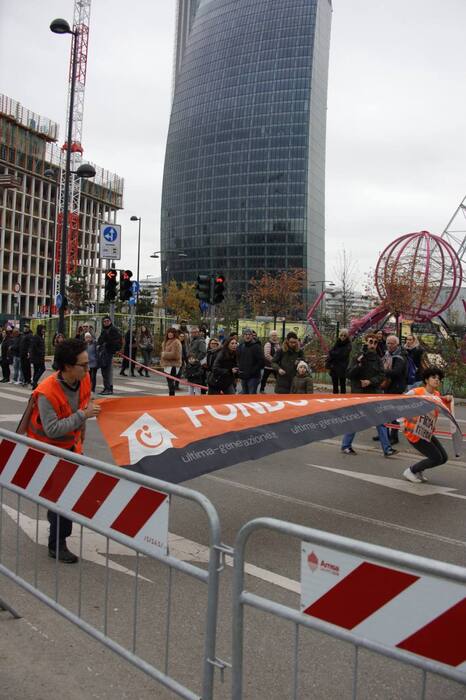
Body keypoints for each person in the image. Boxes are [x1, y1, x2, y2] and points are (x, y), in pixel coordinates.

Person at [26, 338, 101, 562]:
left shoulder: (84, 379)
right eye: (84, 364)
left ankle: (59, 535)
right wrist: (83, 416)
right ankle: (57, 544)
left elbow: (83, 404)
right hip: (48, 451)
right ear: (68, 366)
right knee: (61, 498)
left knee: (69, 495)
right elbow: (52, 429)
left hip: (72, 448)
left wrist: (83, 431)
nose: (89, 368)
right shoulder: (47, 392)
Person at [341, 333, 396, 457]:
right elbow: (349, 374)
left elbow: (382, 375)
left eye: (375, 343)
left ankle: (387, 449)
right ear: (366, 342)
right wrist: (359, 365)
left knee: (380, 421)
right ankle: (346, 445)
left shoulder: (378, 358)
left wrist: (370, 381)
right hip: (359, 393)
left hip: (374, 393)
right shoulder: (357, 356)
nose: (373, 345)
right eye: (371, 341)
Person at [402, 368, 452, 483]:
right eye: (434, 377)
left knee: (444, 458)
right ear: (426, 379)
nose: (437, 380)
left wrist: (447, 399)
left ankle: (418, 470)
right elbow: (401, 403)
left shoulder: (437, 394)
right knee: (436, 458)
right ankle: (411, 470)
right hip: (414, 432)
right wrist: (401, 422)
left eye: (438, 378)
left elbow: (444, 407)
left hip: (426, 431)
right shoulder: (417, 392)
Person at [380, 335, 408, 445]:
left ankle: (394, 437)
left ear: (397, 344)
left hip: (396, 387)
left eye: (392, 343)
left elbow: (396, 372)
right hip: (388, 386)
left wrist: (382, 372)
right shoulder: (388, 354)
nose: (389, 345)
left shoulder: (400, 356)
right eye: (388, 343)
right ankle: (384, 434)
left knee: (393, 413)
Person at [97, 316, 122, 395]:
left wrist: (113, 348)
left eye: (108, 321)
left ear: (110, 321)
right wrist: (99, 345)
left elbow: (117, 341)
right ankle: (106, 388)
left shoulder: (113, 330)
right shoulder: (104, 330)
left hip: (109, 352)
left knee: (107, 371)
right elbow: (100, 340)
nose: (106, 322)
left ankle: (109, 388)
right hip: (103, 353)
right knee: (104, 371)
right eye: (105, 321)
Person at [237, 328, 264, 394]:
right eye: (246, 334)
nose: (247, 336)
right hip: (243, 376)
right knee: (245, 395)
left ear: (252, 336)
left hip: (253, 377)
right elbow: (238, 359)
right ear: (243, 336)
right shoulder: (241, 346)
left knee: (251, 396)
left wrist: (252, 371)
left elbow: (261, 362)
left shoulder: (256, 346)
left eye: (249, 334)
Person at [326, 329, 352, 394]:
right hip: (334, 367)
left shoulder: (348, 345)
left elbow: (342, 355)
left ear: (347, 336)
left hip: (342, 368)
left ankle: (343, 400)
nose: (342, 337)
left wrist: (334, 353)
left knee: (342, 385)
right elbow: (331, 352)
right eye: (341, 335)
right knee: (335, 386)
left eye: (344, 335)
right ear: (339, 336)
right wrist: (334, 353)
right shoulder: (337, 342)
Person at [160, 328, 182, 396]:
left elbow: (176, 355)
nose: (170, 334)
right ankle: (171, 397)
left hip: (173, 365)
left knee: (171, 383)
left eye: (171, 332)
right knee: (170, 383)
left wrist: (164, 354)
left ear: (174, 334)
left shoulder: (176, 342)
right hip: (167, 365)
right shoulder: (165, 342)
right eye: (169, 332)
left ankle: (172, 398)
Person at [29, 324, 46, 389]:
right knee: (42, 368)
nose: (44, 330)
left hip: (38, 356)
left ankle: (34, 384)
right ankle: (34, 381)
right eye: (42, 329)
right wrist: (41, 353)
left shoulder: (40, 337)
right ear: (39, 329)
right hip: (38, 357)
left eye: (44, 329)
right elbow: (35, 347)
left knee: (36, 370)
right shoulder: (36, 337)